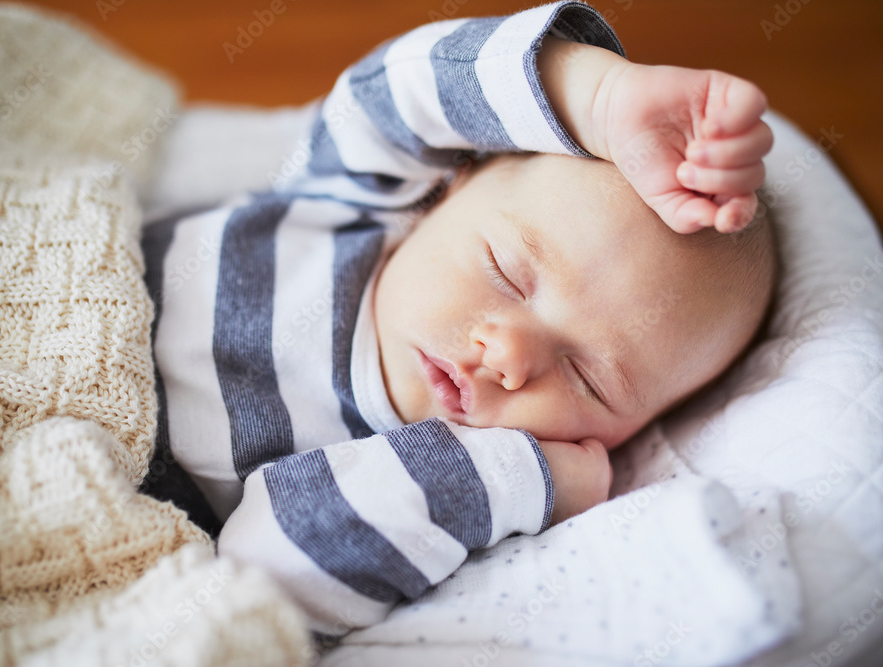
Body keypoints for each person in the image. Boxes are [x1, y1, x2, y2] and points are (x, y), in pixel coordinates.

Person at [138, 0, 777, 635]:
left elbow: (265, 572)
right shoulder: (357, 201)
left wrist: (520, 477)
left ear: (628, 434)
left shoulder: (392, 466)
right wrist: (599, 97)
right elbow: (400, 89)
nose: (507, 356)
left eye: (587, 379)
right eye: (505, 272)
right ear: (452, 188)